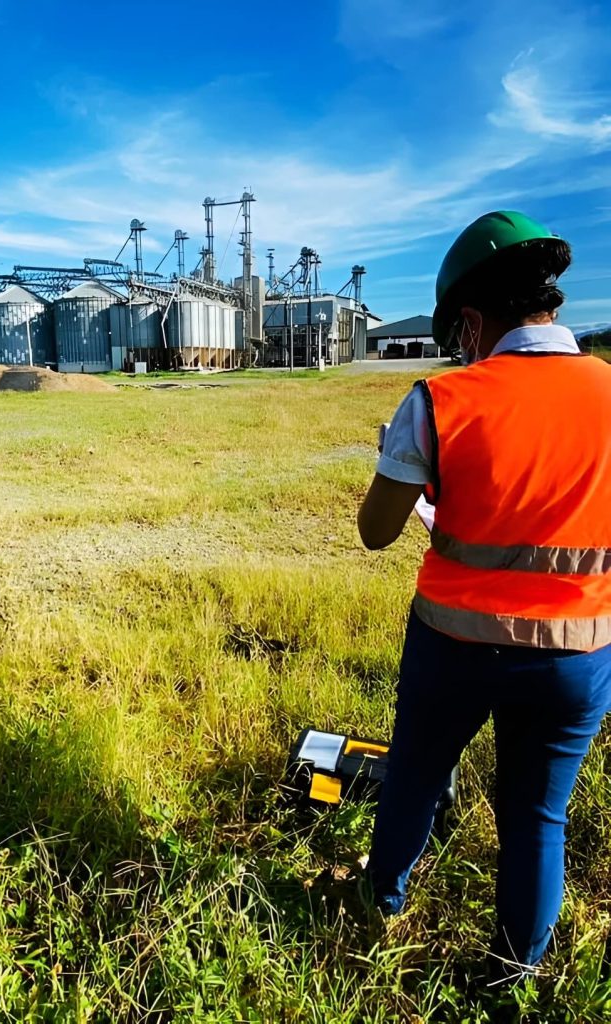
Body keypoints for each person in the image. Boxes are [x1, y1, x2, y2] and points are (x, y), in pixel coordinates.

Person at [356, 211, 611, 980]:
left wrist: (410, 467)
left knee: (416, 779)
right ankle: (511, 977)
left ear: (471, 321)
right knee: (537, 817)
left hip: (453, 647)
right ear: (551, 303)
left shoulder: (440, 401)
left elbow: (375, 530)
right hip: (577, 653)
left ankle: (380, 908)